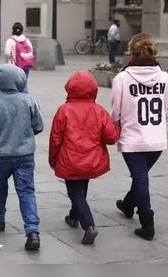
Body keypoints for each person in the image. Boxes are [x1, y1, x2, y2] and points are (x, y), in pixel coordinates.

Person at [110, 33, 168, 241]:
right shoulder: (164, 77)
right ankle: (129, 204)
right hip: (157, 139)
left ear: (132, 52)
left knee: (140, 177)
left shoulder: (122, 78)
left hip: (133, 138)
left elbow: (116, 113)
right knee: (141, 175)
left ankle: (147, 222)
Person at [0, 64, 44, 252]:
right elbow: (38, 126)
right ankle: (32, 231)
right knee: (26, 191)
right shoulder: (28, 100)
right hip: (24, 155)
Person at [48, 70, 120, 246]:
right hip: (91, 160)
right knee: (80, 189)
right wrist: (117, 126)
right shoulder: (99, 111)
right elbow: (111, 137)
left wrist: (53, 159)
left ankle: (89, 225)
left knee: (75, 192)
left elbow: (55, 139)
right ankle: (74, 216)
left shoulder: (63, 111)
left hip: (70, 159)